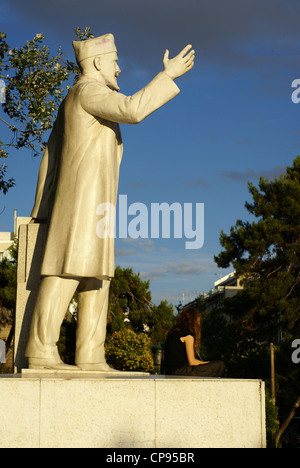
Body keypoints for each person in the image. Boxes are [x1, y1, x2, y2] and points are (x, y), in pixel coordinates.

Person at [25, 34, 195, 371]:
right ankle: (40, 349)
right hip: (81, 199)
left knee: (96, 275)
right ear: (98, 62)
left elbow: (51, 153)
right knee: (67, 269)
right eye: (115, 62)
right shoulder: (87, 91)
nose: (119, 68)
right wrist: (168, 76)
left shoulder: (81, 95)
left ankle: (91, 354)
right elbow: (132, 109)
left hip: (97, 201)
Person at [163, 308, 225, 377]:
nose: (199, 324)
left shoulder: (173, 332)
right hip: (181, 372)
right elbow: (192, 361)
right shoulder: (188, 335)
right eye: (198, 321)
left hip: (170, 372)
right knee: (220, 365)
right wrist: (207, 363)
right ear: (193, 321)